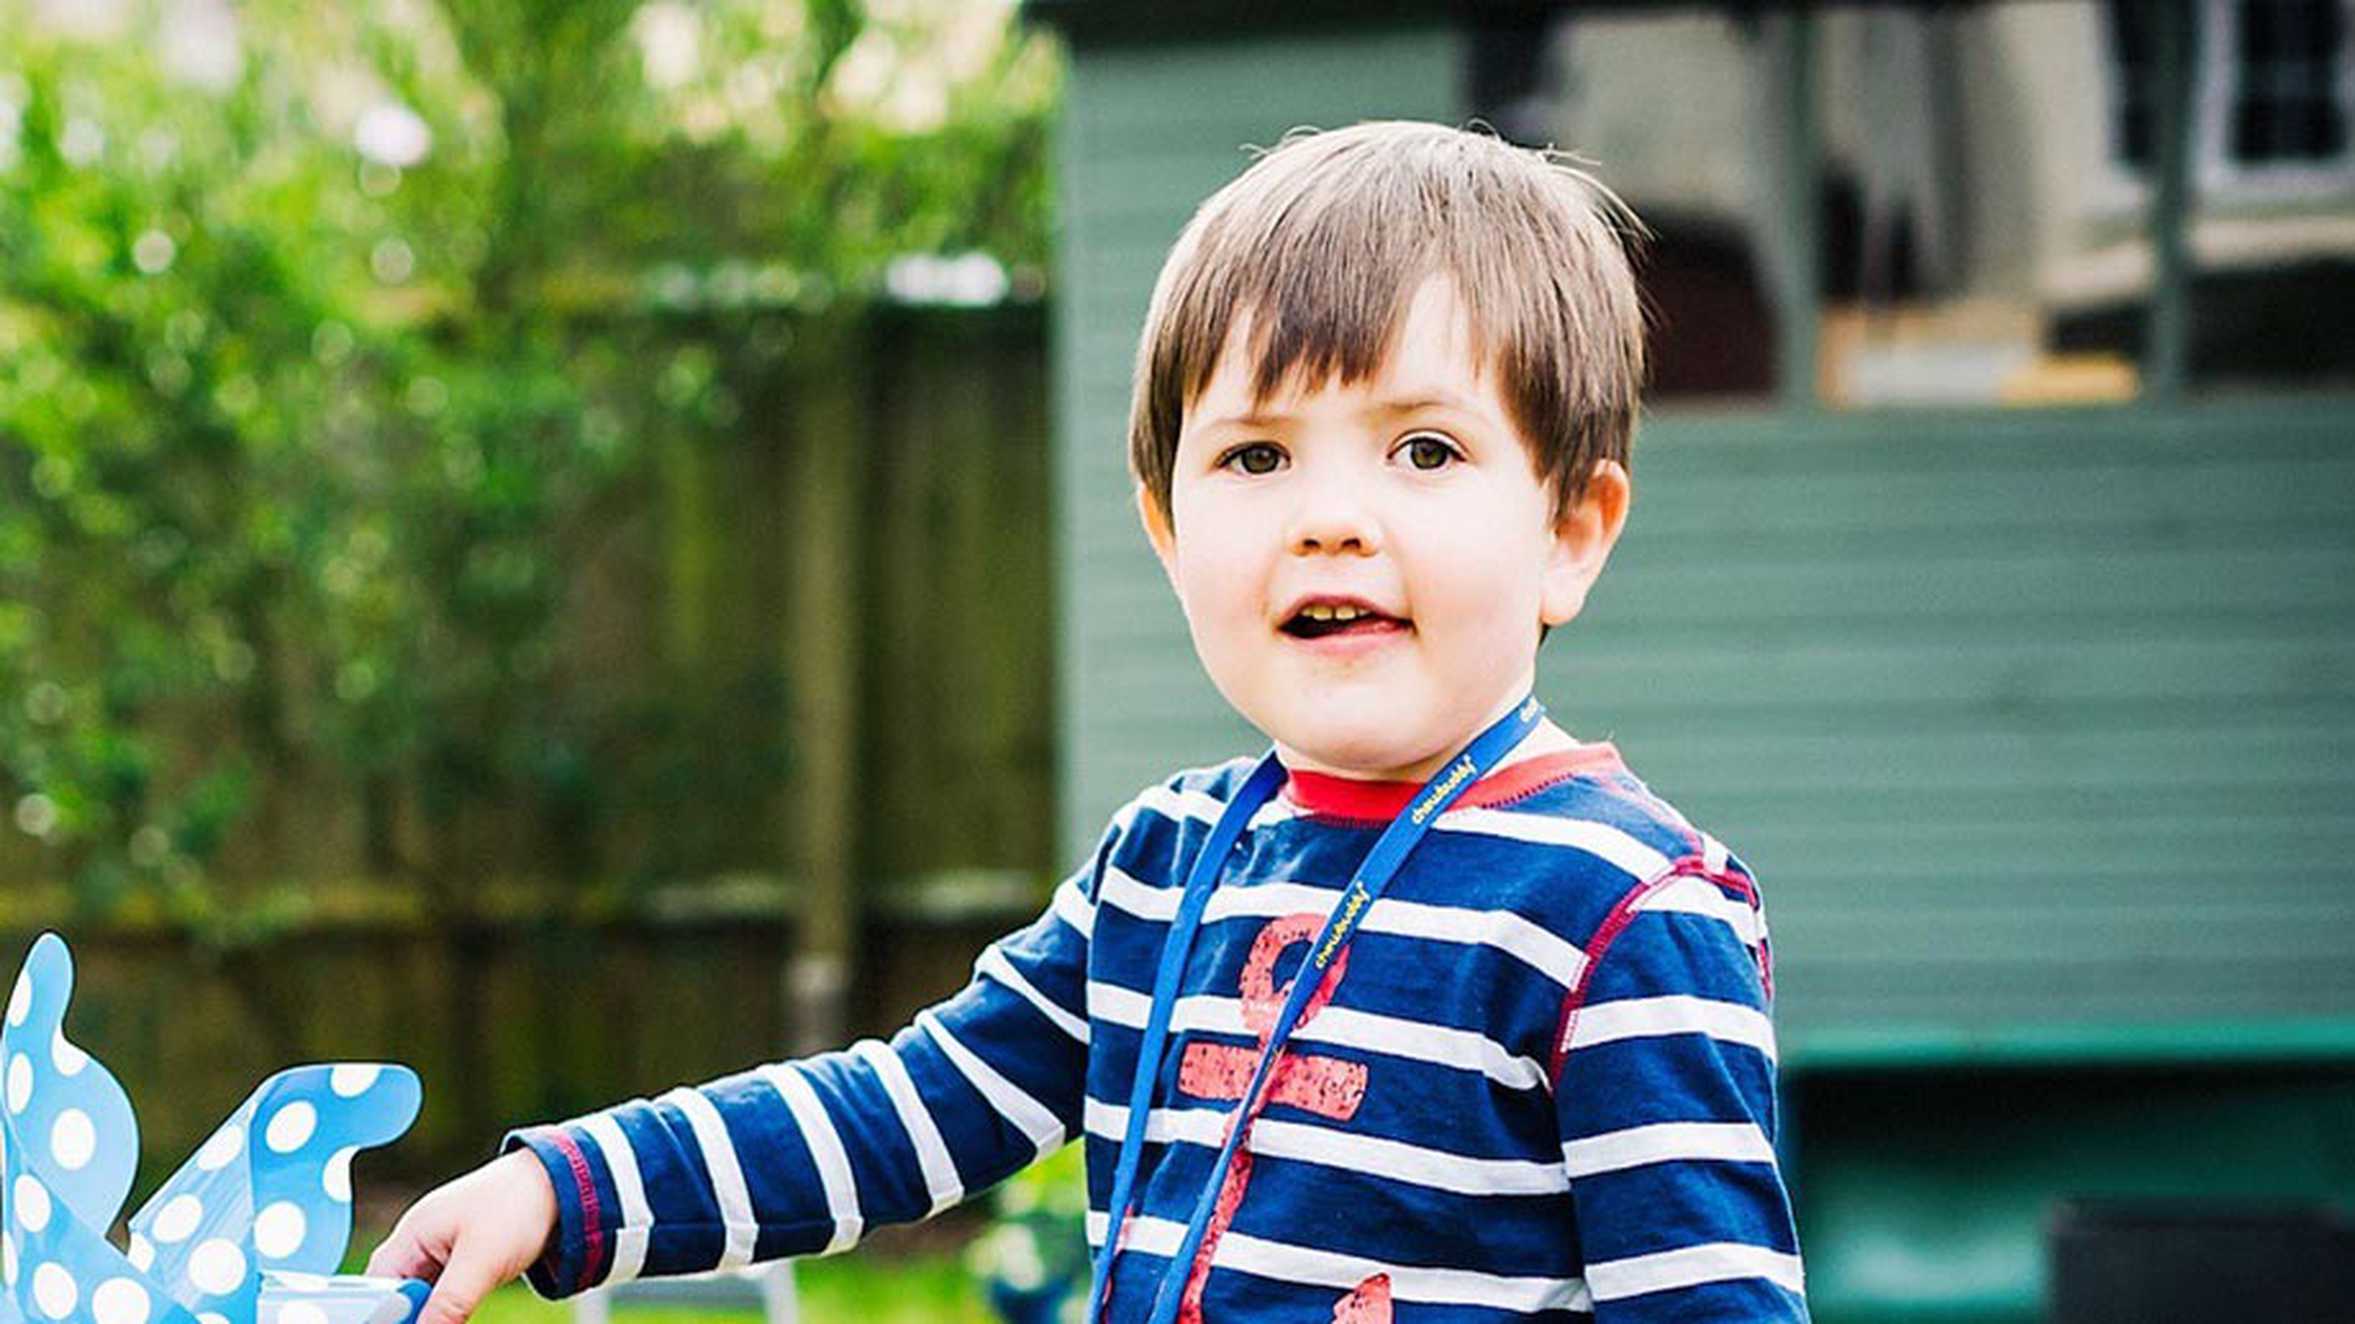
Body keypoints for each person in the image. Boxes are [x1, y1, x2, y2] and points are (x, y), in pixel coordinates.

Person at [370, 120, 1807, 1323]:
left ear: (1571, 527)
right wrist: (563, 1187)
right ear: (1170, 531)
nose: (1330, 521)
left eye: (1423, 449)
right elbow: (901, 1114)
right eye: (1255, 455)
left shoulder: (1617, 916)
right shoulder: (1166, 867)